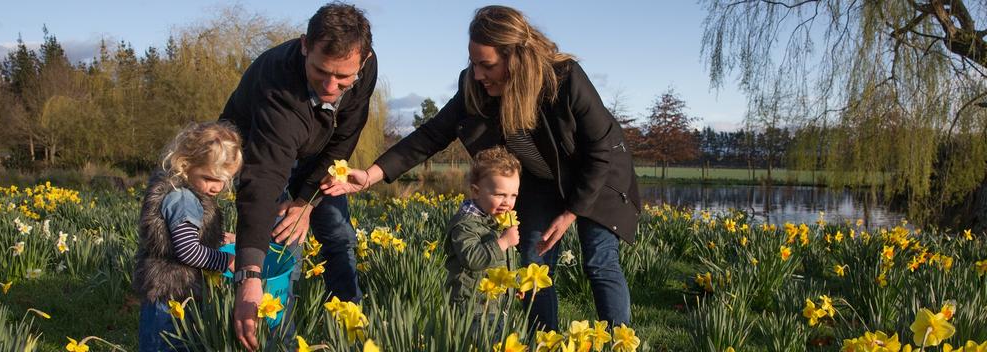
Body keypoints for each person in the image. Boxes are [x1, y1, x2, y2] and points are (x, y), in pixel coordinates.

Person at [322, 5, 640, 331]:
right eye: (473, 63)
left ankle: (617, 339)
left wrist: (572, 212)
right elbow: (432, 134)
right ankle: (546, 341)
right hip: (543, 183)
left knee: (599, 262)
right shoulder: (476, 87)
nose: (476, 74)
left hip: (598, 174)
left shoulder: (564, 78)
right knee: (533, 264)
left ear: (514, 58)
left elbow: (601, 148)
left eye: (486, 64)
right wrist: (371, 175)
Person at [216, 2, 377, 350]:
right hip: (259, 148)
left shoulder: (365, 68)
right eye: (321, 71)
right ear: (305, 45)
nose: (332, 86)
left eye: (343, 77)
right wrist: (248, 275)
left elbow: (344, 139)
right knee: (282, 243)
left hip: (317, 156)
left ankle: (350, 329)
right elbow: (263, 180)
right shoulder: (279, 86)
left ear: (363, 62)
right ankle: (279, 338)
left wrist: (306, 199)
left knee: (338, 234)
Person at [132, 121, 241, 352]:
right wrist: (226, 262)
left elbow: (182, 237)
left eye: (224, 180)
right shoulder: (183, 200)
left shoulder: (179, 190)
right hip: (173, 293)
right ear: (185, 163)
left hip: (164, 290)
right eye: (210, 178)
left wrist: (221, 238)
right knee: (169, 345)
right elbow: (187, 249)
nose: (217, 187)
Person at [444, 147, 521, 328]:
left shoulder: (494, 220)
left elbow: (499, 262)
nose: (507, 202)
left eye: (513, 195)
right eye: (500, 194)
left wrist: (513, 284)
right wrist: (503, 242)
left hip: (493, 302)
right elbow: (473, 259)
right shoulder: (465, 225)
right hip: (472, 306)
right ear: (476, 191)